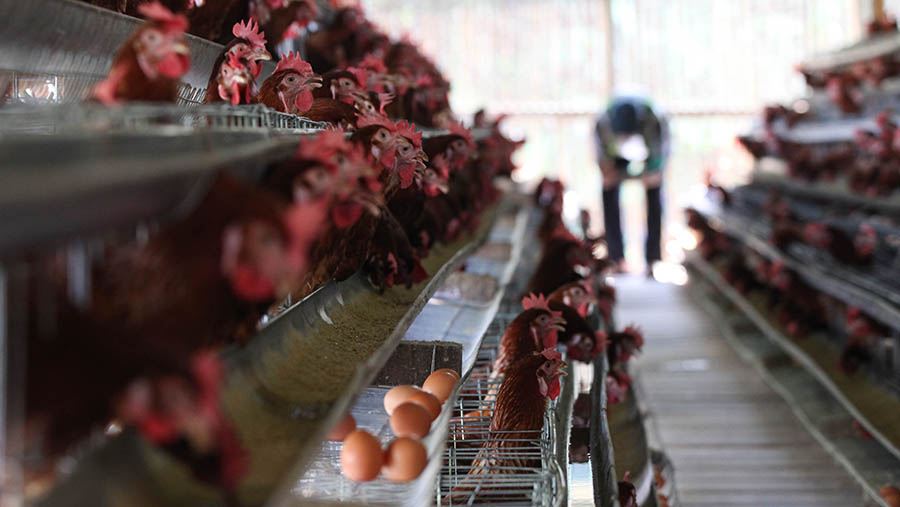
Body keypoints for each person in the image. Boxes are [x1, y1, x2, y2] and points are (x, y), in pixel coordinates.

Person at [594, 95, 670, 275]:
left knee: (655, 192)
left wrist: (651, 172)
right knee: (608, 190)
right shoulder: (603, 122)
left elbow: (660, 159)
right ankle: (615, 258)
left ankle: (653, 259)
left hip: (649, 152)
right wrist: (609, 172)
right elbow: (603, 161)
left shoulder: (655, 120)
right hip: (615, 156)